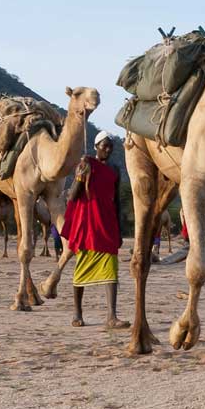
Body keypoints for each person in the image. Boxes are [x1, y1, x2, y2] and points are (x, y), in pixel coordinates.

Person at [61, 134, 129, 328]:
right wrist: (80, 177)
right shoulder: (86, 164)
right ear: (96, 146)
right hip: (88, 222)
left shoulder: (115, 169)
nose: (108, 150)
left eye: (110, 147)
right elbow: (72, 196)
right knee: (81, 267)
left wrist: (119, 229)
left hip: (107, 223)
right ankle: (77, 313)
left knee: (111, 269)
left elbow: (117, 201)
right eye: (104, 146)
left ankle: (111, 316)